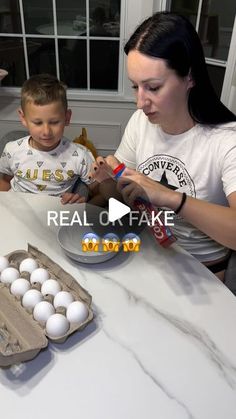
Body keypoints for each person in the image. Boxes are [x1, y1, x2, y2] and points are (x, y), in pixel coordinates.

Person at [90, 12, 236, 281]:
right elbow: (119, 198)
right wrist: (108, 180)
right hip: (144, 252)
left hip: (199, 273)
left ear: (189, 77)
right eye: (136, 87)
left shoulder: (227, 141)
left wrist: (169, 197)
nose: (140, 102)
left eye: (153, 87)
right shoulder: (140, 122)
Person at [0, 73, 96, 204]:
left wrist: (81, 201)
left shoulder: (80, 155)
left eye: (54, 122)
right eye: (38, 123)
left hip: (53, 217)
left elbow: (98, 191)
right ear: (23, 118)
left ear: (67, 118)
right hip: (17, 215)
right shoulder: (11, 150)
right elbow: (5, 180)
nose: (46, 132)